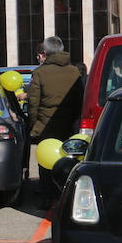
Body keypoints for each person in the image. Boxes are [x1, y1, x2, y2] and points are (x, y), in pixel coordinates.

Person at [27, 35, 83, 206]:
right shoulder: (74, 71)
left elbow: (33, 103)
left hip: (46, 126)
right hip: (69, 125)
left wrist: (34, 124)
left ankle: (46, 197)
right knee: (69, 160)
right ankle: (66, 196)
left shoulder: (39, 73)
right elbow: (80, 99)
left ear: (45, 52)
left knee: (45, 163)